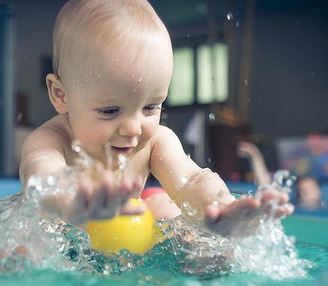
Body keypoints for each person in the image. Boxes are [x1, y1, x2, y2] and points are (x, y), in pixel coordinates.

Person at [20, 0, 292, 239]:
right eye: (110, 110)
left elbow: (191, 181)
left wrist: (219, 206)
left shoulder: (157, 141)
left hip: (133, 223)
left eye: (150, 107)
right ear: (61, 95)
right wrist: (71, 201)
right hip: (68, 228)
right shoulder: (50, 141)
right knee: (30, 235)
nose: (133, 128)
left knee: (165, 207)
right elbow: (43, 178)